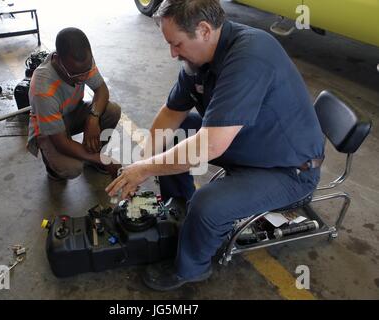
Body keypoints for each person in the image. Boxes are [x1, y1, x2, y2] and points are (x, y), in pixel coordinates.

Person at [106, 0, 325, 291]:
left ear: (205, 30)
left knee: (208, 205)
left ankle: (191, 268)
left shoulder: (250, 56)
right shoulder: (198, 60)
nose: (172, 53)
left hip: (288, 168)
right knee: (177, 133)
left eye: (177, 44)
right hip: (249, 143)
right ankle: (180, 205)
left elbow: (209, 147)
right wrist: (141, 163)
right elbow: (171, 112)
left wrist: (144, 169)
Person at [27, 27, 121, 180]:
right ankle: (53, 167)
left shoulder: (83, 62)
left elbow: (101, 89)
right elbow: (61, 143)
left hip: (71, 113)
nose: (84, 77)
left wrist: (93, 118)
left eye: (86, 71)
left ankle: (92, 155)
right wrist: (103, 159)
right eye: (76, 74)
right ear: (57, 59)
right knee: (72, 168)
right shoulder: (42, 88)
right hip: (50, 131)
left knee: (112, 110)